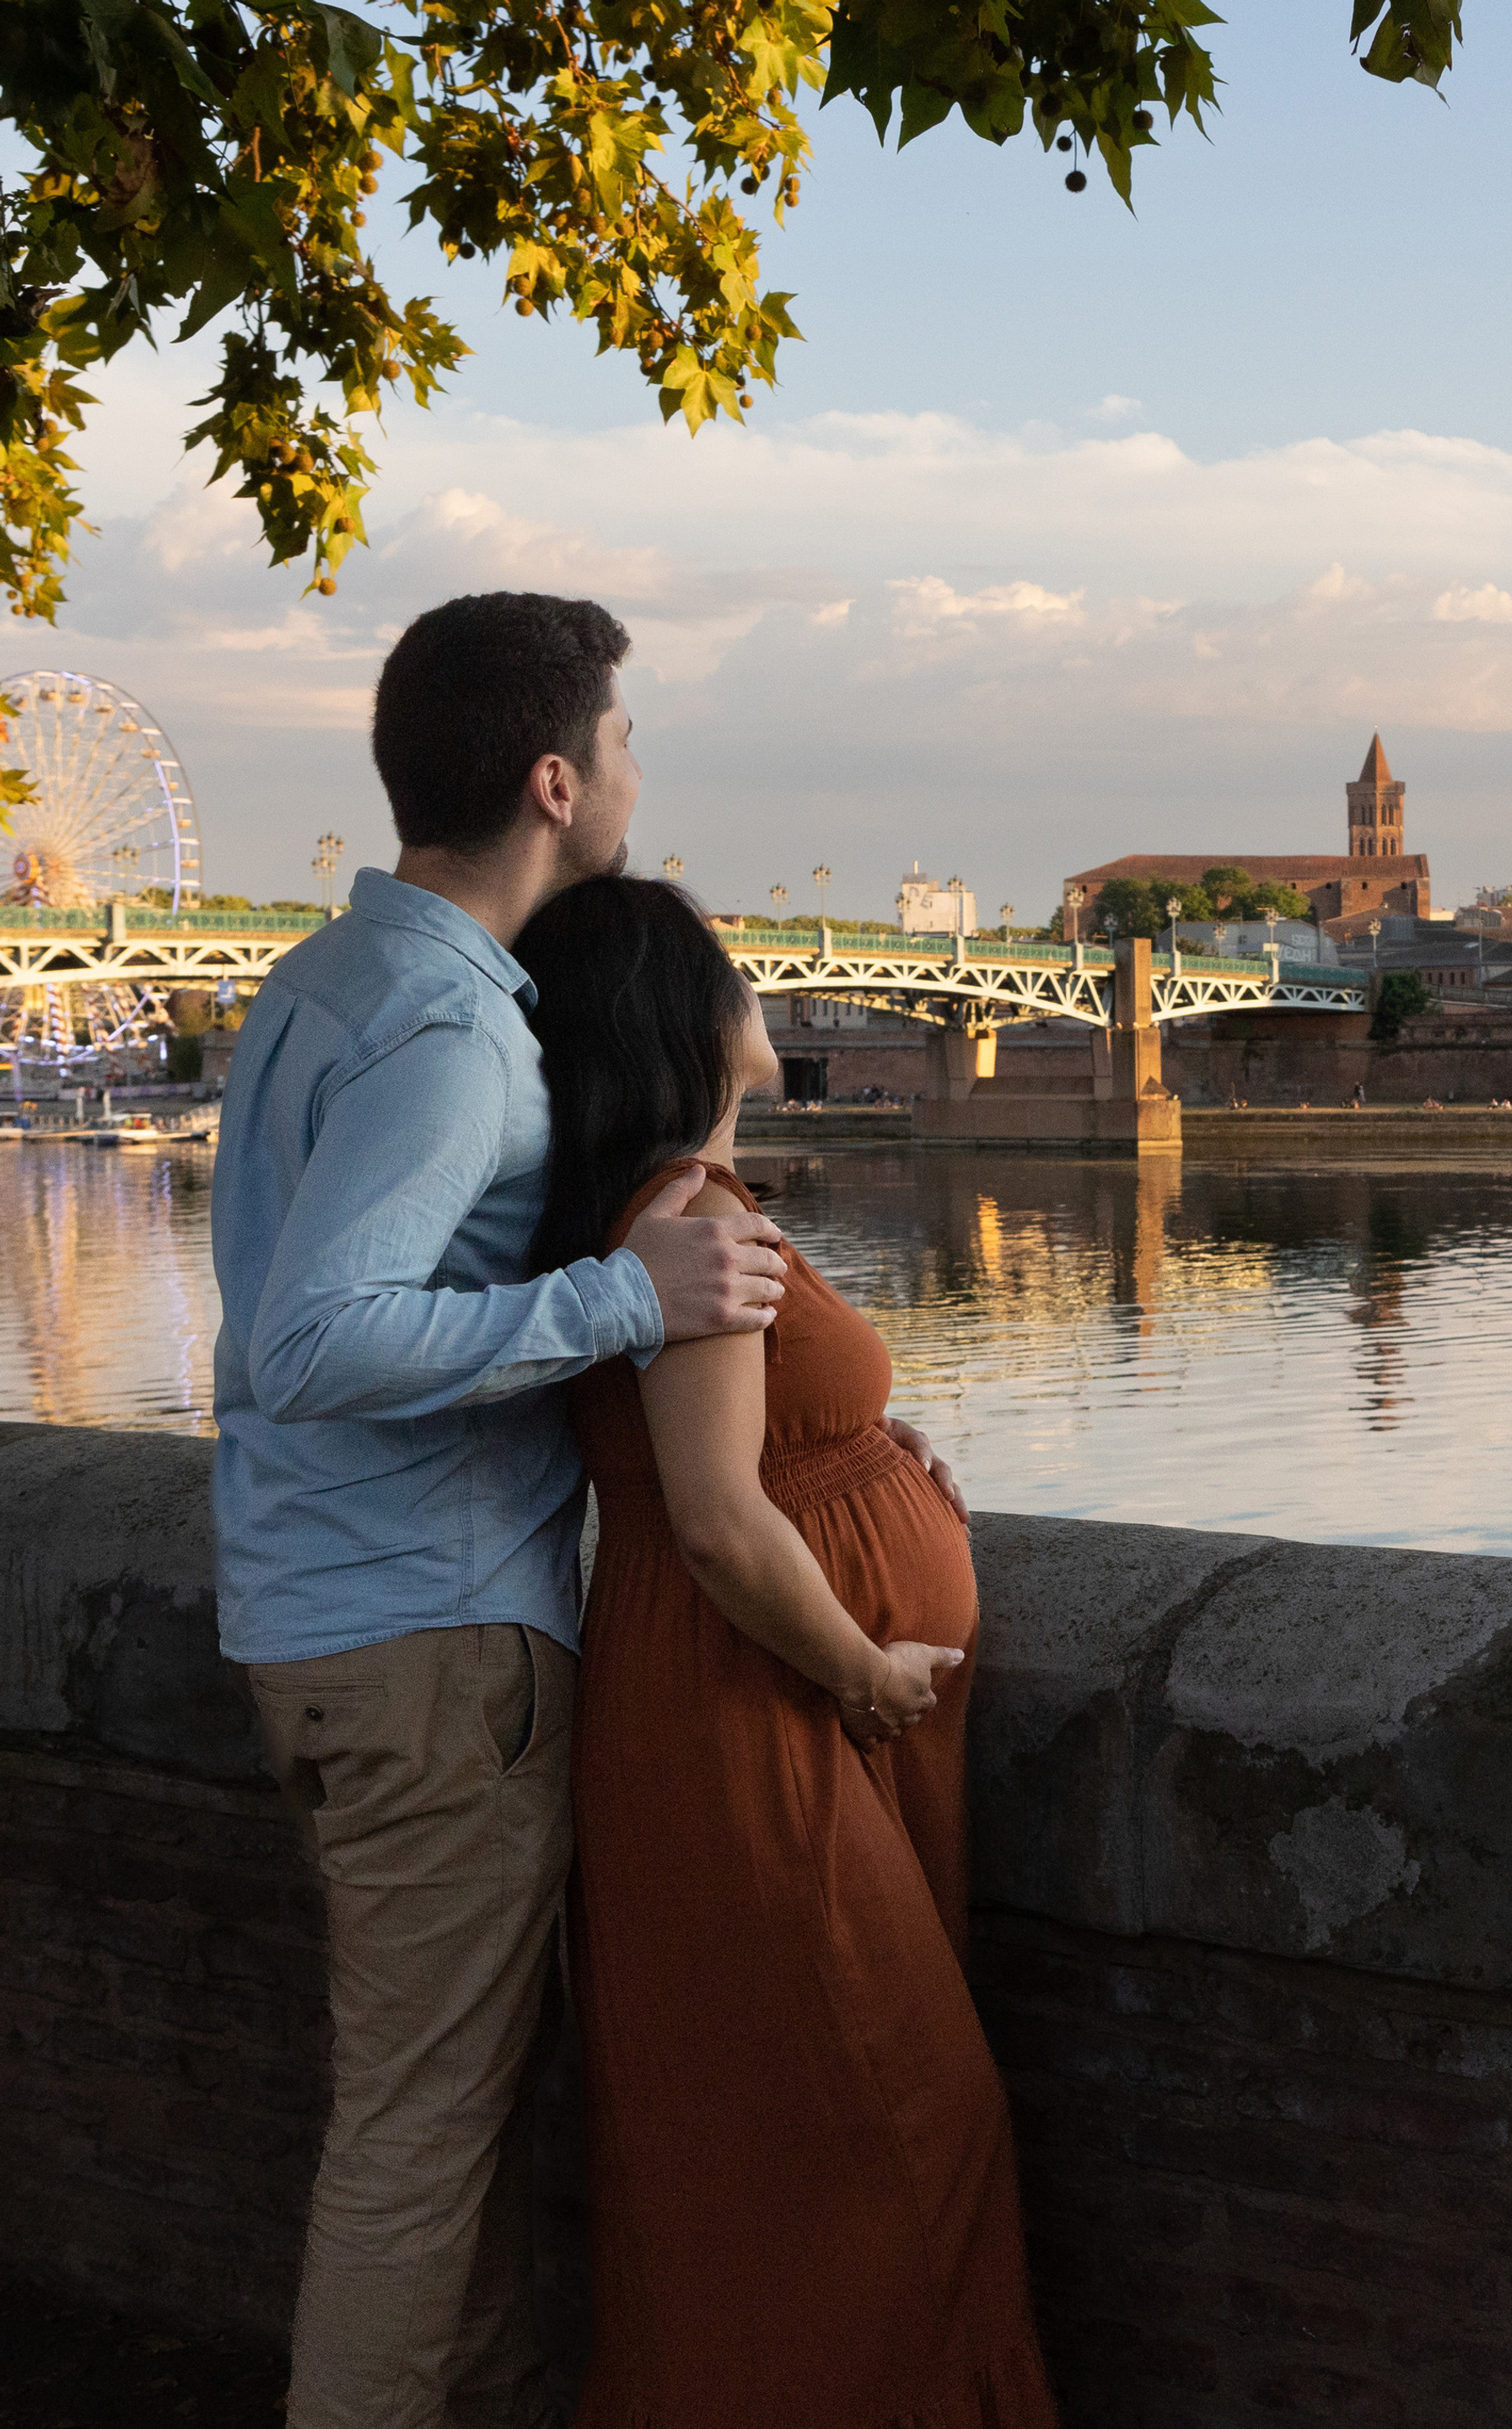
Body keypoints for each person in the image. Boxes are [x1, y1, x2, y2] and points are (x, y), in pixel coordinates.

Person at [210, 592, 793, 2429]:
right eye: (625, 744)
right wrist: (639, 1302)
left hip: (321, 1617)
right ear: (557, 779)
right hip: (429, 1641)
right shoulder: (458, 1035)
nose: (637, 774)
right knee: (419, 2148)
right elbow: (315, 1338)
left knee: (440, 2131)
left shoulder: (324, 979)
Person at [518, 875, 1058, 2429]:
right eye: (732, 974)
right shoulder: (689, 1223)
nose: (759, 995)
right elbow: (717, 1525)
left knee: (783, 2132)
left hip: (750, 1699)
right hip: (747, 1708)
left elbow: (761, 1460)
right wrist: (868, 1672)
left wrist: (879, 1454)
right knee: (890, 2123)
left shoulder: (676, 1213)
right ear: (689, 1022)